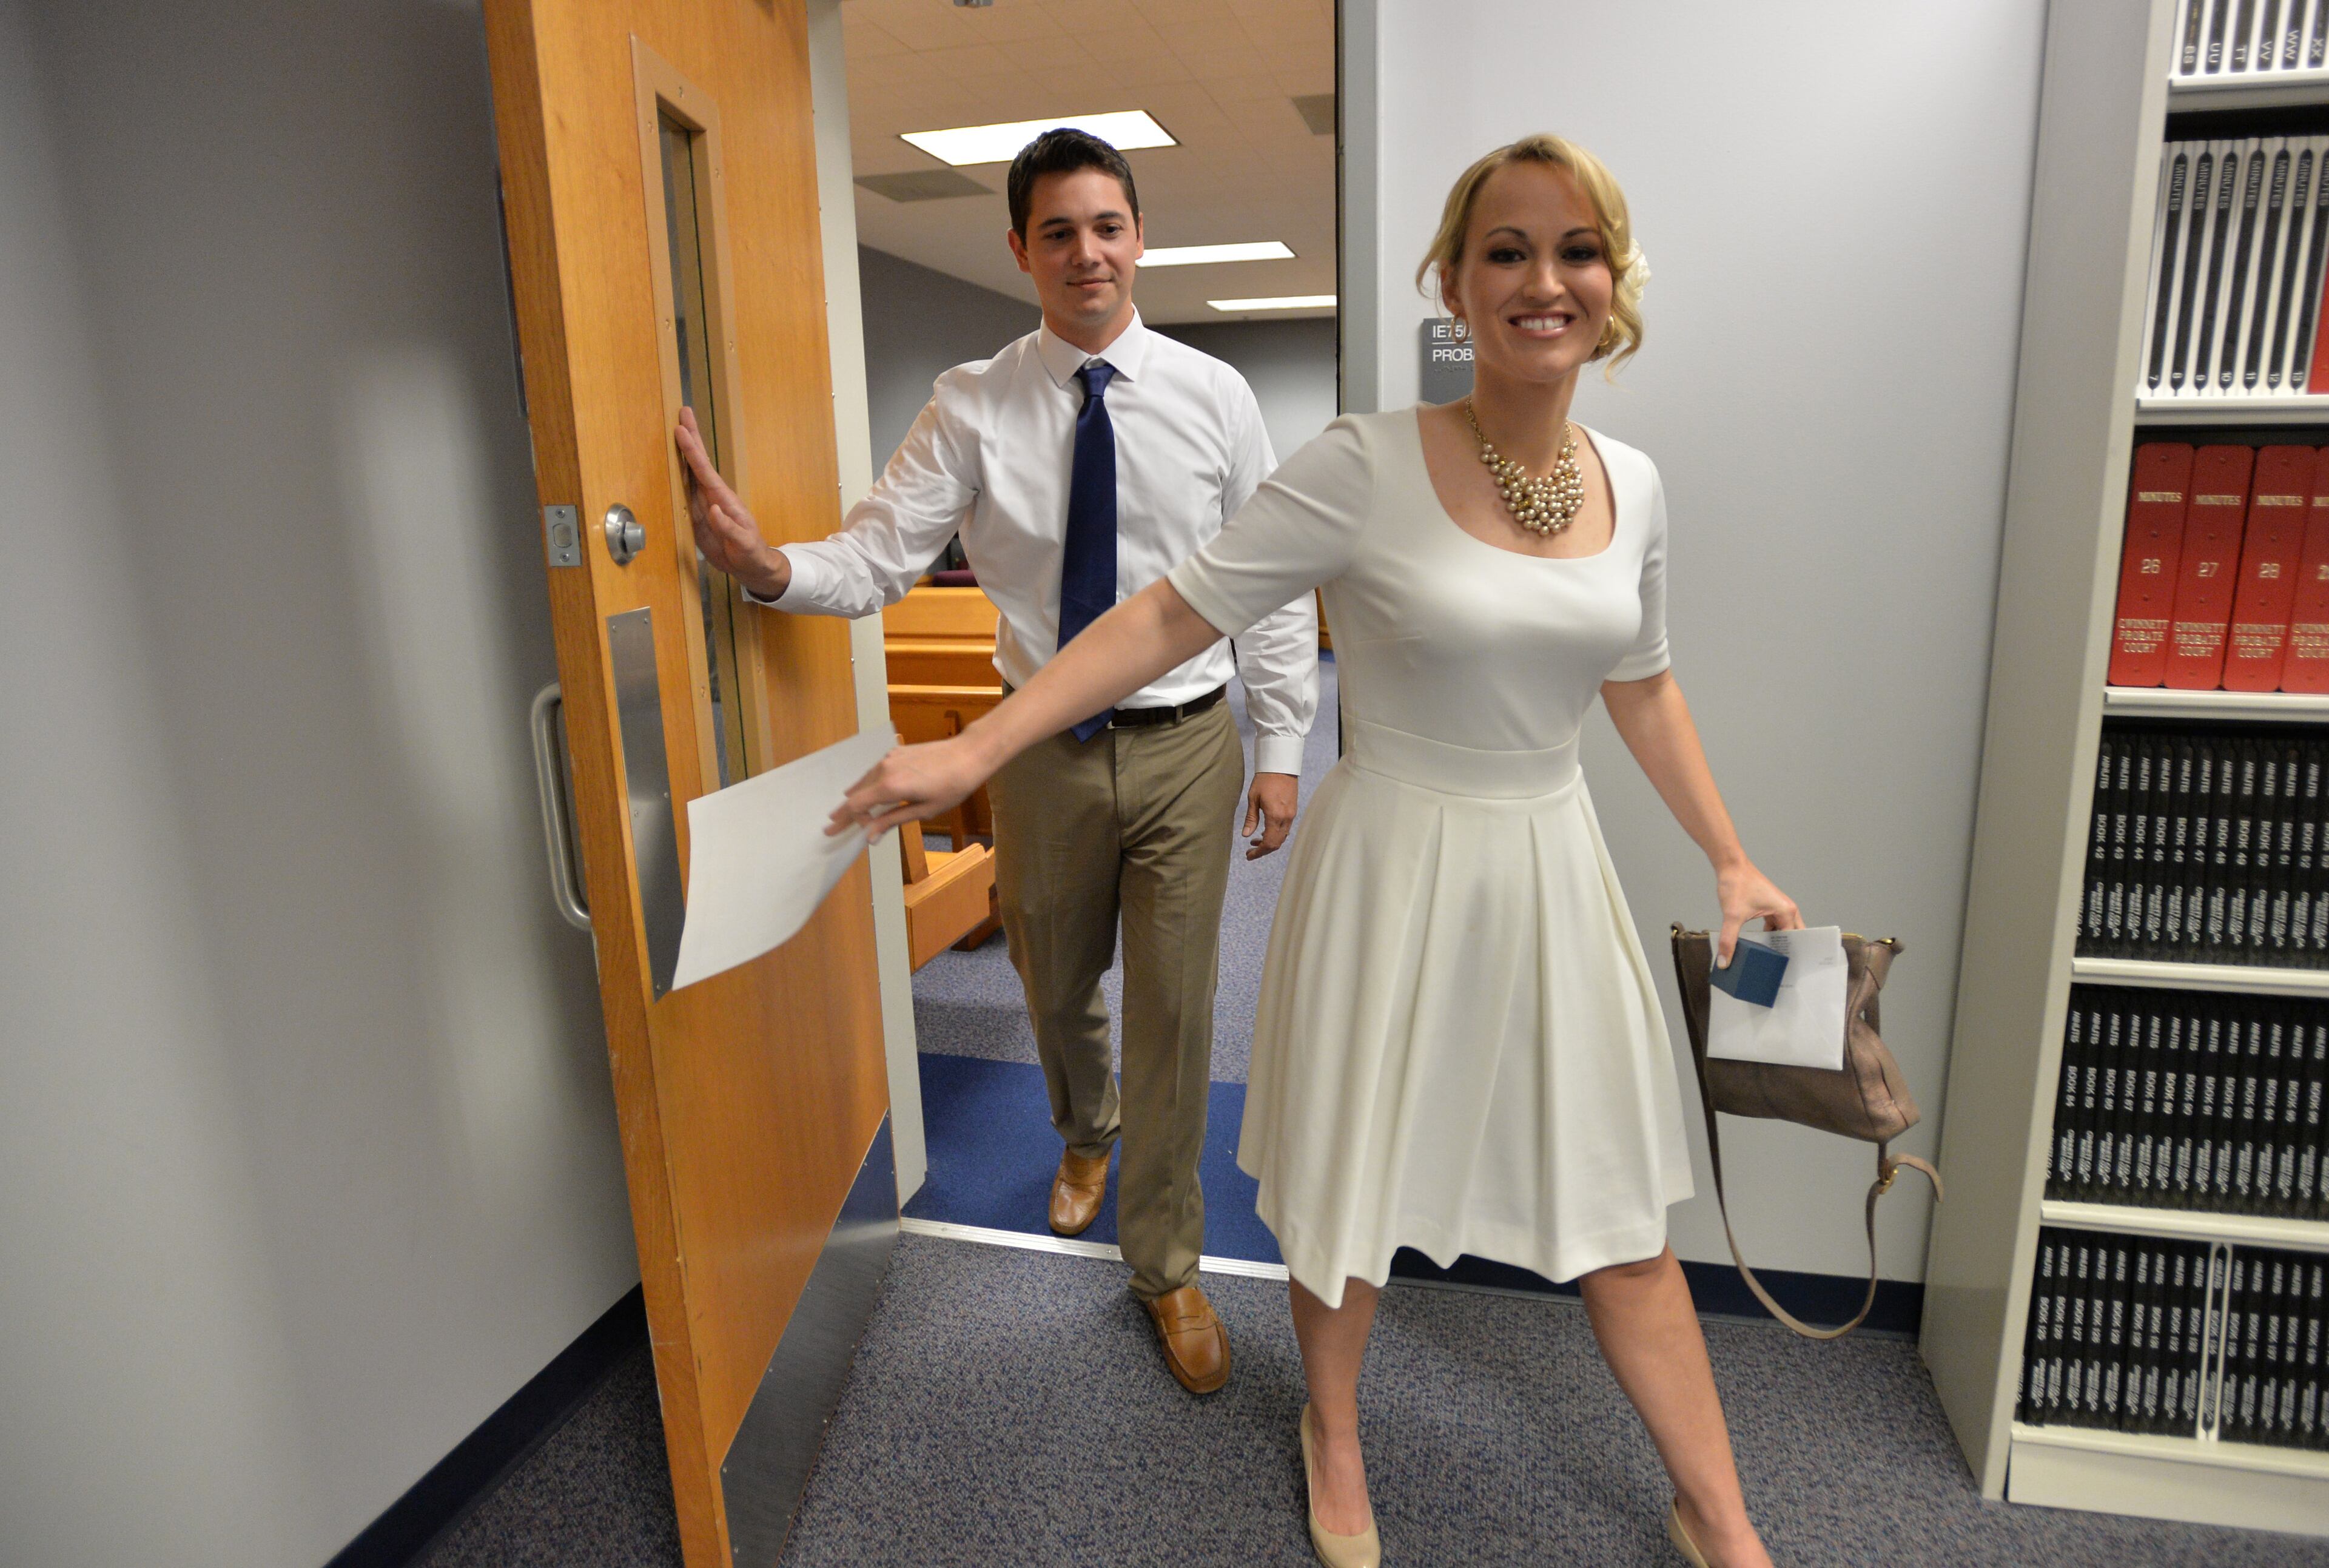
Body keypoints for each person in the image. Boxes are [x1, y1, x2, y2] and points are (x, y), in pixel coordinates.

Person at [827, 133, 1796, 1568]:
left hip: (1549, 868)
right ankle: (1332, 1434)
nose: (1545, 280)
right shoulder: (1365, 462)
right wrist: (978, 750)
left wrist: (1730, 855)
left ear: (1616, 279)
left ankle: (1717, 1508)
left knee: (1616, 1195)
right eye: (1507, 251)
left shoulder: (1633, 485)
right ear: (1454, 284)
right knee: (1353, 1184)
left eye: (1575, 249)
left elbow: (1642, 681)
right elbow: (1166, 617)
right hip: (1392, 861)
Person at [676, 129, 1319, 1397]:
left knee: (1180, 1010)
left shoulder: (1215, 397)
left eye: (1109, 225)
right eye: (1060, 231)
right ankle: (1086, 1135)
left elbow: (1275, 581)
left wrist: (1284, 742)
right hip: (1039, 752)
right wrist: (763, 566)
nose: (1089, 253)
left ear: (1141, 236)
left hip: (1190, 741)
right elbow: (874, 560)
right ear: (1021, 248)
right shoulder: (973, 401)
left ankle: (1166, 1263)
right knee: (1055, 975)